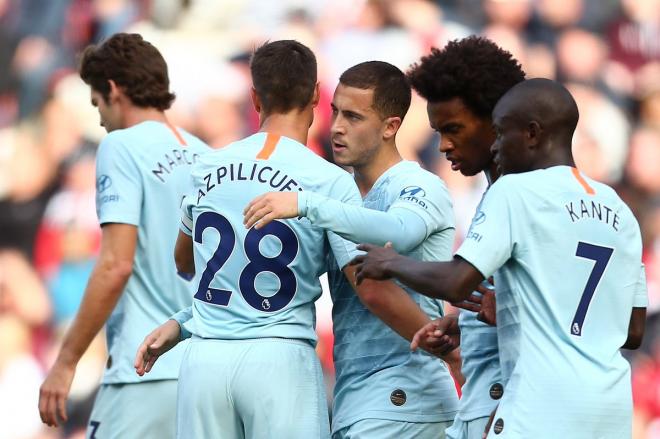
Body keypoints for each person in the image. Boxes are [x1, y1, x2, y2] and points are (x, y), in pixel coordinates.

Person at [134, 40, 427, 439]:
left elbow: (185, 262)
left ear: (255, 98)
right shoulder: (328, 181)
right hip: (280, 358)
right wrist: (441, 341)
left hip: (204, 361)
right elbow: (367, 286)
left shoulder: (207, 166)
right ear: (315, 96)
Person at [351, 78, 648, 438]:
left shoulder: (516, 190)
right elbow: (632, 332)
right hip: (611, 409)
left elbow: (457, 281)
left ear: (532, 134)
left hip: (541, 405)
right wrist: (509, 308)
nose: (496, 147)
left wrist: (391, 263)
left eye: (501, 133)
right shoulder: (619, 208)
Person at [244, 60, 460, 438]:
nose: (338, 127)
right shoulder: (336, 189)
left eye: (354, 117)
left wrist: (307, 204)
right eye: (335, 112)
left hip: (404, 395)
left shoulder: (417, 186)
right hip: (358, 394)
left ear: (391, 127)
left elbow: (402, 232)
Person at [37, 33, 211, 438]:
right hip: (206, 372)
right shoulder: (209, 156)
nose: (99, 118)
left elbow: (116, 264)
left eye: (96, 103)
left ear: (113, 90)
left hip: (145, 369)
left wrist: (66, 361)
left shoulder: (121, 146)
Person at [405, 36, 525, 439]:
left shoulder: (520, 195)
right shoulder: (498, 193)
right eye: (438, 131)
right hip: (486, 402)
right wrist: (466, 324)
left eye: (453, 129)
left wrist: (388, 264)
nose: (445, 146)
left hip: (509, 408)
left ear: (496, 120)